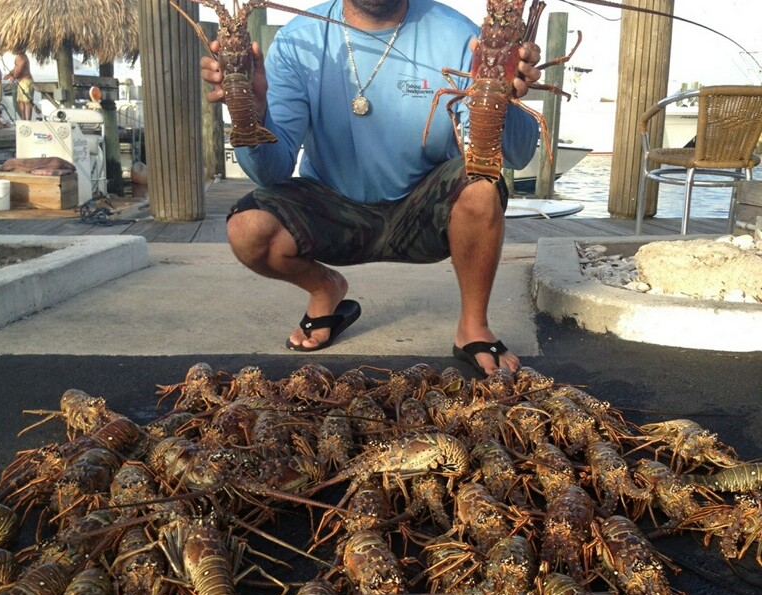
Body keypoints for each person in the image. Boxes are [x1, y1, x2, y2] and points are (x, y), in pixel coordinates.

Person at [200, 0, 542, 375]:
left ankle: (473, 325)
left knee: (481, 187)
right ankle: (324, 288)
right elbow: (272, 171)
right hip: (334, 211)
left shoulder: (461, 35)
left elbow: (515, 155)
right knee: (248, 230)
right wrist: (252, 106)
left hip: (423, 210)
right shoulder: (298, 40)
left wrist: (506, 93)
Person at [6, 52, 34, 121]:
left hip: (27, 81)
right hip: (21, 82)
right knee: (20, 101)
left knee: (28, 102)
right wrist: (9, 74)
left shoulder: (23, 57)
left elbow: (20, 68)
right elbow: (15, 68)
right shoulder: (17, 56)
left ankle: (29, 120)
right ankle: (23, 119)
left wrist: (14, 77)